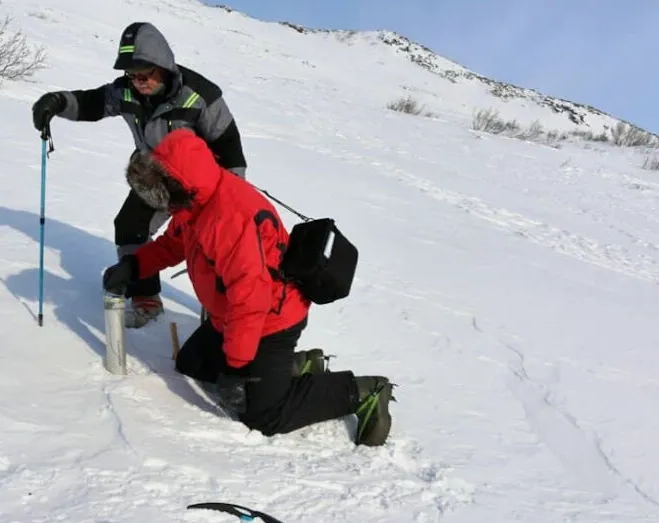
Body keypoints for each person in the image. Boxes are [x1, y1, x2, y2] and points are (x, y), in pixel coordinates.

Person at [101, 129, 395, 446]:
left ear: (175, 182)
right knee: (192, 366)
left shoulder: (228, 217)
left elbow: (250, 299)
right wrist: (134, 266)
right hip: (228, 317)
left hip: (271, 320)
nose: (158, 204)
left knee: (261, 415)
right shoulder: (194, 201)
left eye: (158, 192)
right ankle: (296, 367)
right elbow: (174, 244)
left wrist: (237, 368)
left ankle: (363, 392)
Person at [31, 22, 248, 329]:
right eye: (132, 75)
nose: (138, 81)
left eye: (144, 74)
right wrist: (57, 102)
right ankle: (146, 299)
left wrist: (230, 201)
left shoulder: (201, 96)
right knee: (130, 225)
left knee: (209, 244)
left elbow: (230, 147)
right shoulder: (126, 91)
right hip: (155, 177)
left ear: (163, 67)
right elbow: (92, 103)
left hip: (202, 186)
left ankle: (222, 313)